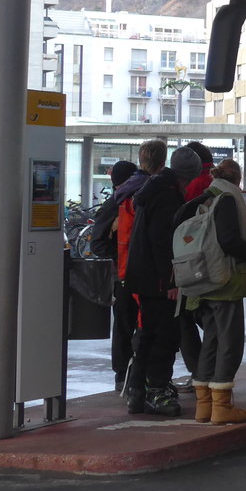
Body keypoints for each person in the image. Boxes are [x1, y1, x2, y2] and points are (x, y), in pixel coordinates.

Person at [177, 158, 246, 424]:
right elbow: (228, 240)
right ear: (238, 179)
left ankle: (205, 406)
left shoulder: (206, 196)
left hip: (202, 279)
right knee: (230, 342)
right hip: (224, 282)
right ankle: (222, 407)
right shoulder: (227, 199)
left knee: (212, 342)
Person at [122, 145, 202, 417]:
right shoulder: (168, 197)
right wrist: (171, 281)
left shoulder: (152, 189)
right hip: (157, 281)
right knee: (165, 336)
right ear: (189, 175)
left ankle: (138, 392)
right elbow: (163, 242)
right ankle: (157, 390)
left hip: (143, 277)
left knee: (148, 335)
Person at [89, 159, 144, 392]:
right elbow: (99, 244)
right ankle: (125, 374)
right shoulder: (117, 204)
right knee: (127, 324)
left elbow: (97, 244)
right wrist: (123, 256)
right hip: (126, 276)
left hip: (125, 276)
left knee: (125, 325)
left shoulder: (121, 202)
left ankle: (126, 374)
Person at [175, 141, 215, 388]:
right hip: (214, 260)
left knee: (185, 320)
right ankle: (212, 370)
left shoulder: (191, 184)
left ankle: (200, 372)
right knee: (211, 318)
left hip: (191, 260)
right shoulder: (218, 181)